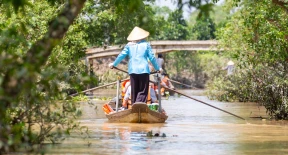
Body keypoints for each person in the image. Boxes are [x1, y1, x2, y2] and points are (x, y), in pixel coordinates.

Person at [109, 26, 162, 108]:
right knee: (143, 91)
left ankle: (134, 105)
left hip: (133, 71)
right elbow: (151, 58)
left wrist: (114, 64)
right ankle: (139, 105)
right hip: (144, 71)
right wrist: (158, 69)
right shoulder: (146, 45)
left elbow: (121, 55)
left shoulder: (129, 45)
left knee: (134, 91)